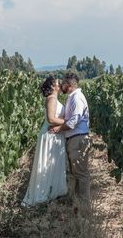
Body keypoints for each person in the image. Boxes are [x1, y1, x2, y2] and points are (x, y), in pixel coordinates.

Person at [21, 77, 68, 207]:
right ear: (53, 87)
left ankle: (51, 192)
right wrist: (69, 122)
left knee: (53, 164)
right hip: (50, 135)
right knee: (47, 164)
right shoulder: (51, 99)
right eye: (58, 83)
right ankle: (43, 194)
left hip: (56, 135)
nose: (61, 85)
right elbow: (51, 119)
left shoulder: (55, 99)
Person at [49, 72, 91, 208]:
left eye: (64, 84)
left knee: (81, 173)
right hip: (74, 139)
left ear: (70, 85)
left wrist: (59, 128)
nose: (62, 87)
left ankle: (84, 206)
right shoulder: (72, 97)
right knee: (75, 173)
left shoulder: (77, 98)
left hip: (78, 139)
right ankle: (75, 202)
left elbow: (73, 122)